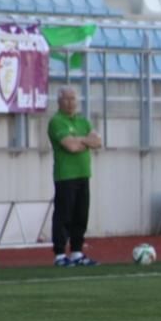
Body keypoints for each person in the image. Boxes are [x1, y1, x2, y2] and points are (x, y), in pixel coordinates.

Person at [47, 86, 102, 267]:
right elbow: (70, 146)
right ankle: (60, 254)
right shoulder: (57, 122)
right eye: (67, 99)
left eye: (73, 99)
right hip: (66, 176)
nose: (70, 103)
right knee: (64, 215)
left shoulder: (83, 121)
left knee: (81, 214)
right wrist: (84, 141)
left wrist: (80, 140)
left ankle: (77, 251)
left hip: (83, 174)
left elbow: (97, 141)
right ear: (59, 101)